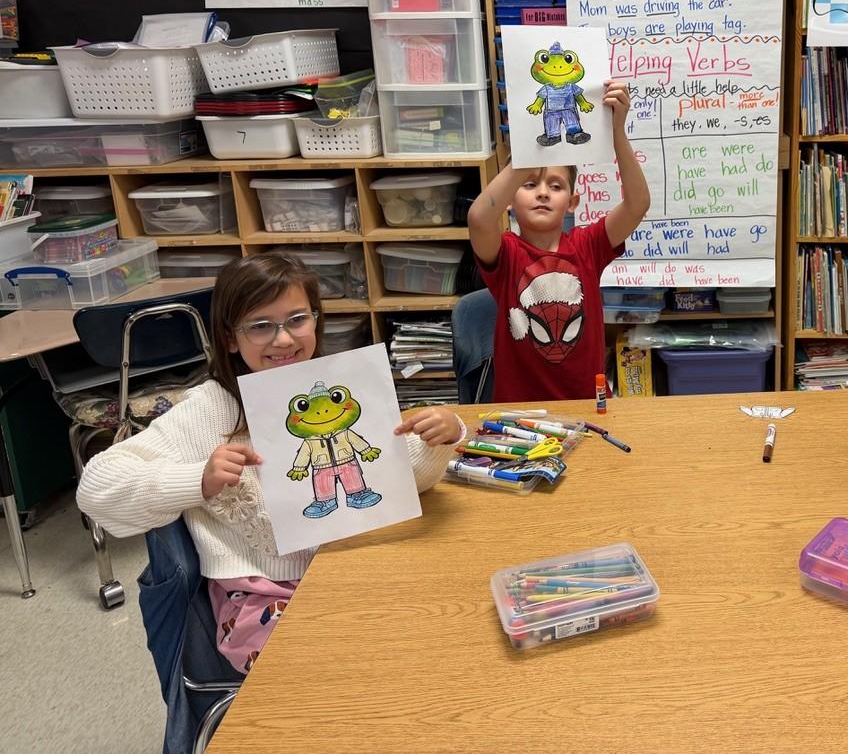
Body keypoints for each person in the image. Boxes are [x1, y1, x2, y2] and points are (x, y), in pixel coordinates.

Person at [76, 255, 466, 673]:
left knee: (445, 622)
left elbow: (405, 481)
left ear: (316, 321)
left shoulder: (339, 391)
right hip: (262, 595)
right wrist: (197, 480)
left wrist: (443, 436)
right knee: (348, 666)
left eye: (297, 319)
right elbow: (95, 488)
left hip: (353, 569)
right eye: (260, 326)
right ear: (229, 338)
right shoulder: (208, 410)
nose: (283, 339)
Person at [468, 80, 649, 401]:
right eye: (529, 184)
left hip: (588, 404)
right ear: (509, 198)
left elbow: (637, 205)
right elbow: (479, 218)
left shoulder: (587, 246)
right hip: (519, 413)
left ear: (572, 202)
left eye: (555, 186)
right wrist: (523, 156)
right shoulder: (506, 253)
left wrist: (617, 131)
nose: (541, 192)